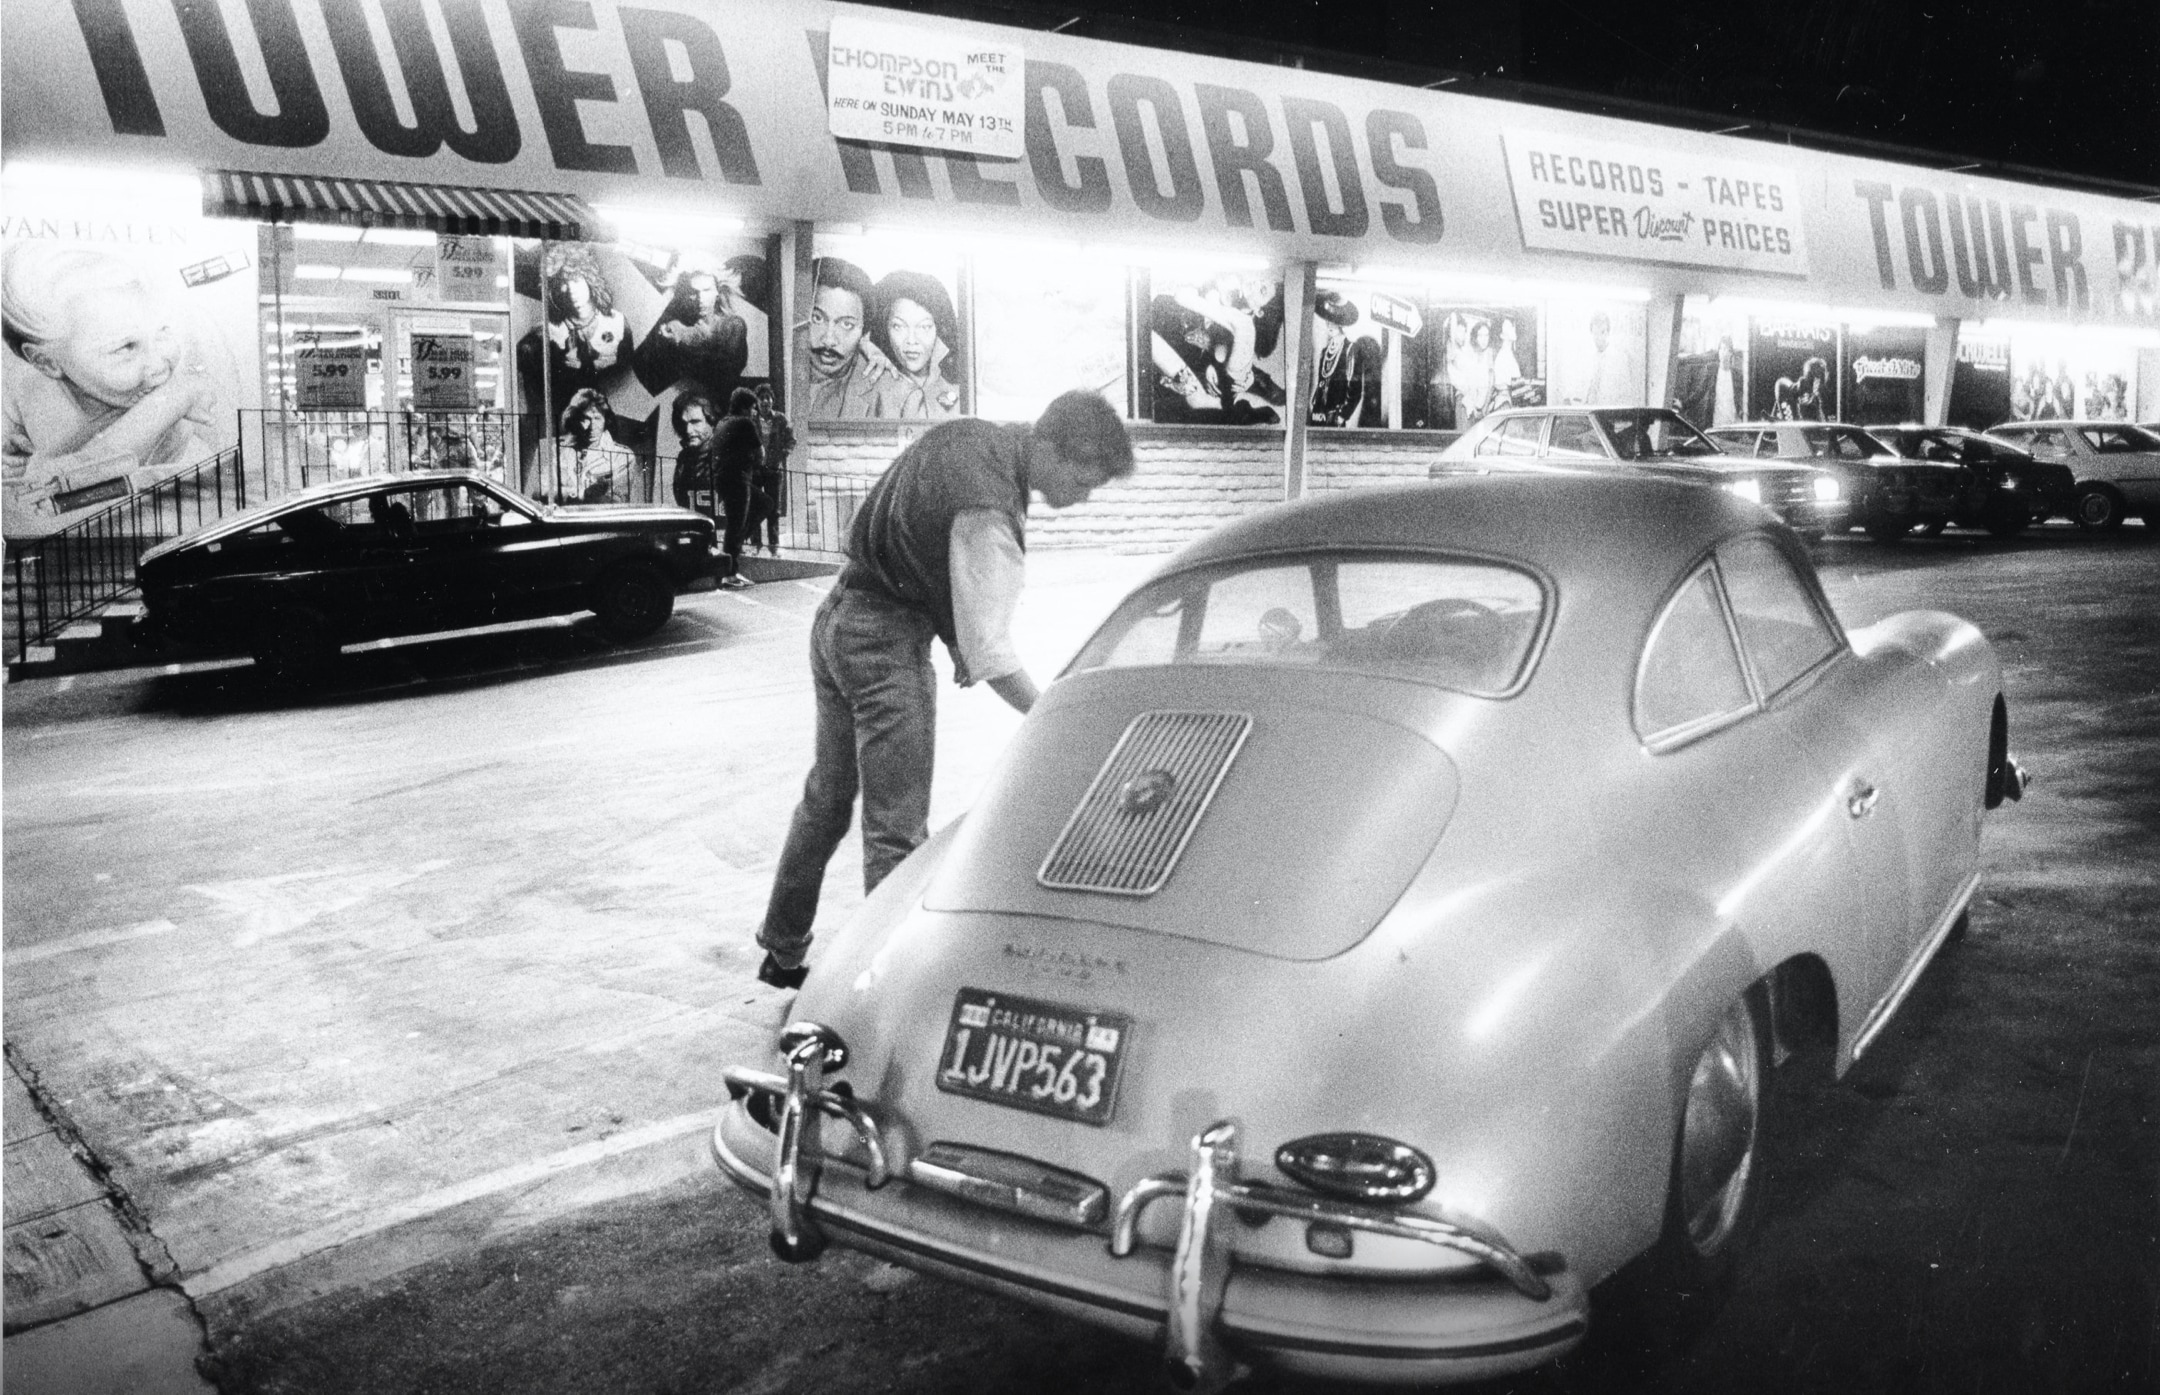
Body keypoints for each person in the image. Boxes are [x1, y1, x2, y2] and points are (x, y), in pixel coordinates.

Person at [753, 390, 1135, 988]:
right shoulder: (991, 510)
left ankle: (781, 947)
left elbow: (912, 527)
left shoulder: (968, 435)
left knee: (826, 800)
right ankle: (890, 987)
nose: (1082, 497)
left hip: (837, 615)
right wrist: (1047, 713)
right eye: (1084, 481)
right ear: (1054, 449)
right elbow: (992, 652)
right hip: (885, 643)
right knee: (896, 830)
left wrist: (953, 634)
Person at [3, 242, 219, 527]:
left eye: (162, 331)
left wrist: (177, 397)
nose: (159, 366)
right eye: (125, 348)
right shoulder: (24, 390)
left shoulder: (169, 399)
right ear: (46, 362)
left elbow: (102, 460)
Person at [800, 257, 922, 420]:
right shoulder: (782, 372)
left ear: (864, 333)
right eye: (817, 318)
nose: (829, 340)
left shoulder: (901, 398)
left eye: (846, 324)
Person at [871, 270, 964, 419]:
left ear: (939, 329)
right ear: (884, 328)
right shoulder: (874, 386)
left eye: (924, 327)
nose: (911, 340)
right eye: (898, 326)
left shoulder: (959, 390)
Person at [712, 387, 763, 590]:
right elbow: (761, 454)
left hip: (722, 479)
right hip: (738, 479)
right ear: (744, 407)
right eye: (753, 407)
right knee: (736, 526)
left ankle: (732, 564)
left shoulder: (722, 422)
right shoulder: (745, 423)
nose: (755, 412)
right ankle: (729, 574)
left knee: (764, 504)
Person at [1308, 290, 1382, 427]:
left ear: (1341, 323)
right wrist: (1314, 404)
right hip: (1318, 415)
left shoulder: (1350, 350)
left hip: (1334, 416)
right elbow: (1321, 382)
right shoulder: (1325, 351)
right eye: (1328, 320)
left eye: (1334, 321)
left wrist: (1343, 415)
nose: (1329, 324)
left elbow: (1355, 389)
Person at [753, 382, 793, 556]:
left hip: (774, 471)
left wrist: (782, 454)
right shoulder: (750, 420)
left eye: (768, 398)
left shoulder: (781, 419)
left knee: (773, 510)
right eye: (761, 398)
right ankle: (755, 544)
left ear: (772, 401)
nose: (765, 402)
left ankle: (774, 547)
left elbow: (792, 441)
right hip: (755, 471)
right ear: (756, 401)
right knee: (755, 508)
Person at [670, 390, 720, 518]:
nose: (688, 430)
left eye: (695, 422)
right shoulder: (683, 459)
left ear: (711, 421)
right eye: (684, 423)